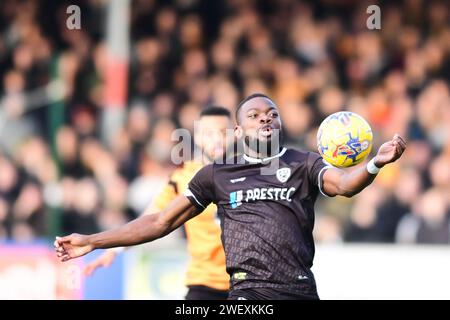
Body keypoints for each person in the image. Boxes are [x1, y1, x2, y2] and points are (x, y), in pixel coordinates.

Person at [55, 93, 406, 300]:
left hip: (299, 289)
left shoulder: (303, 163)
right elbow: (160, 221)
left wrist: (375, 162)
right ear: (239, 130)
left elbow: (344, 185)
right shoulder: (215, 174)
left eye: (272, 114)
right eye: (254, 116)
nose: (265, 119)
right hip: (245, 294)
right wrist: (94, 241)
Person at [84, 106, 235, 300]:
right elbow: (151, 218)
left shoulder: (254, 175)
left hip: (247, 284)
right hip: (205, 283)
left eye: (223, 133)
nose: (216, 140)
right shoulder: (182, 178)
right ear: (198, 137)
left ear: (236, 134)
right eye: (209, 134)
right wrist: (115, 249)